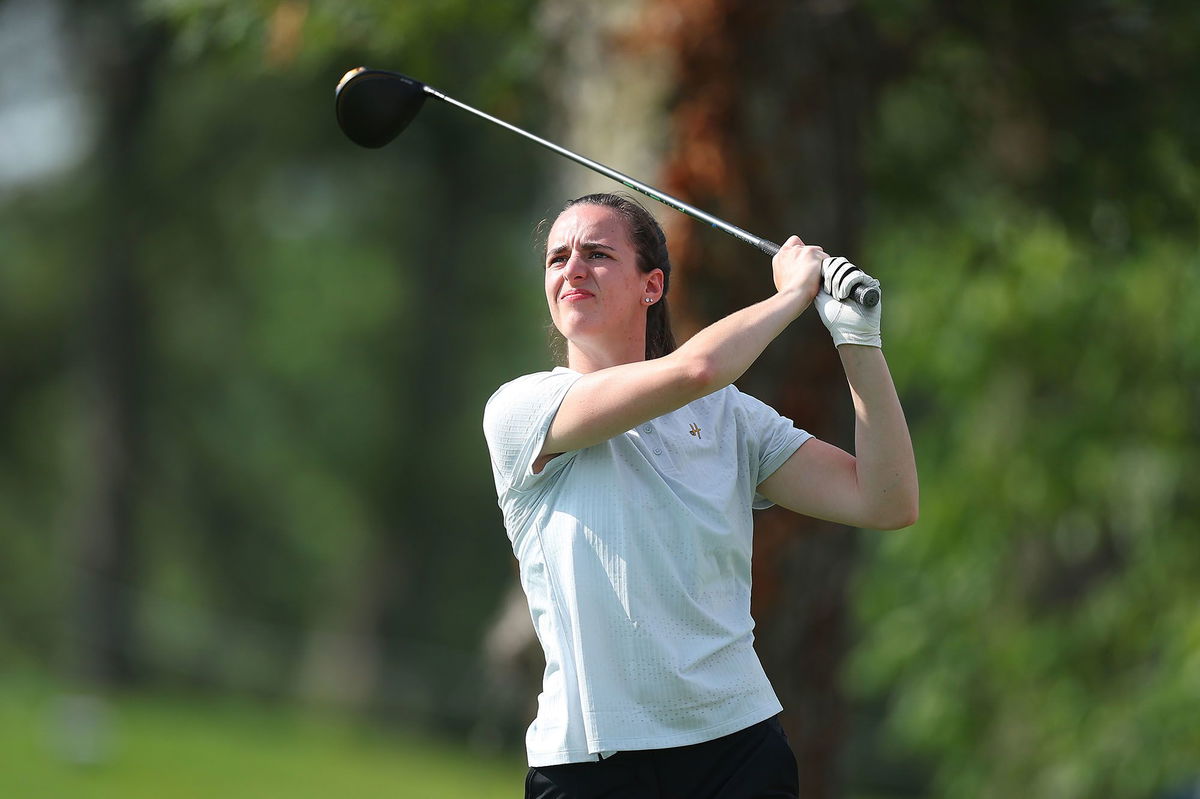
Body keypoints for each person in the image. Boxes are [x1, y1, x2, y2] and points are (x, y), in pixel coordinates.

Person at [483, 193, 918, 799]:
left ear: (651, 285)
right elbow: (695, 370)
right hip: (591, 764)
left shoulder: (731, 420)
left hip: (736, 751)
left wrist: (858, 341)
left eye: (598, 254)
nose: (572, 269)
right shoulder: (522, 410)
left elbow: (886, 501)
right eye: (558, 258)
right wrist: (791, 296)